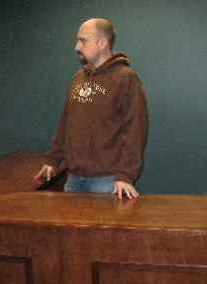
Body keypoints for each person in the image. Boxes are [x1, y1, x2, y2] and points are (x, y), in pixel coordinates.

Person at [34, 18, 148, 199]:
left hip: (108, 183)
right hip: (73, 180)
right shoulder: (78, 78)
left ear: (102, 43)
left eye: (83, 40)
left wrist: (125, 175)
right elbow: (65, 123)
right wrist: (53, 161)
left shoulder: (126, 78)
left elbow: (135, 129)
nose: (77, 46)